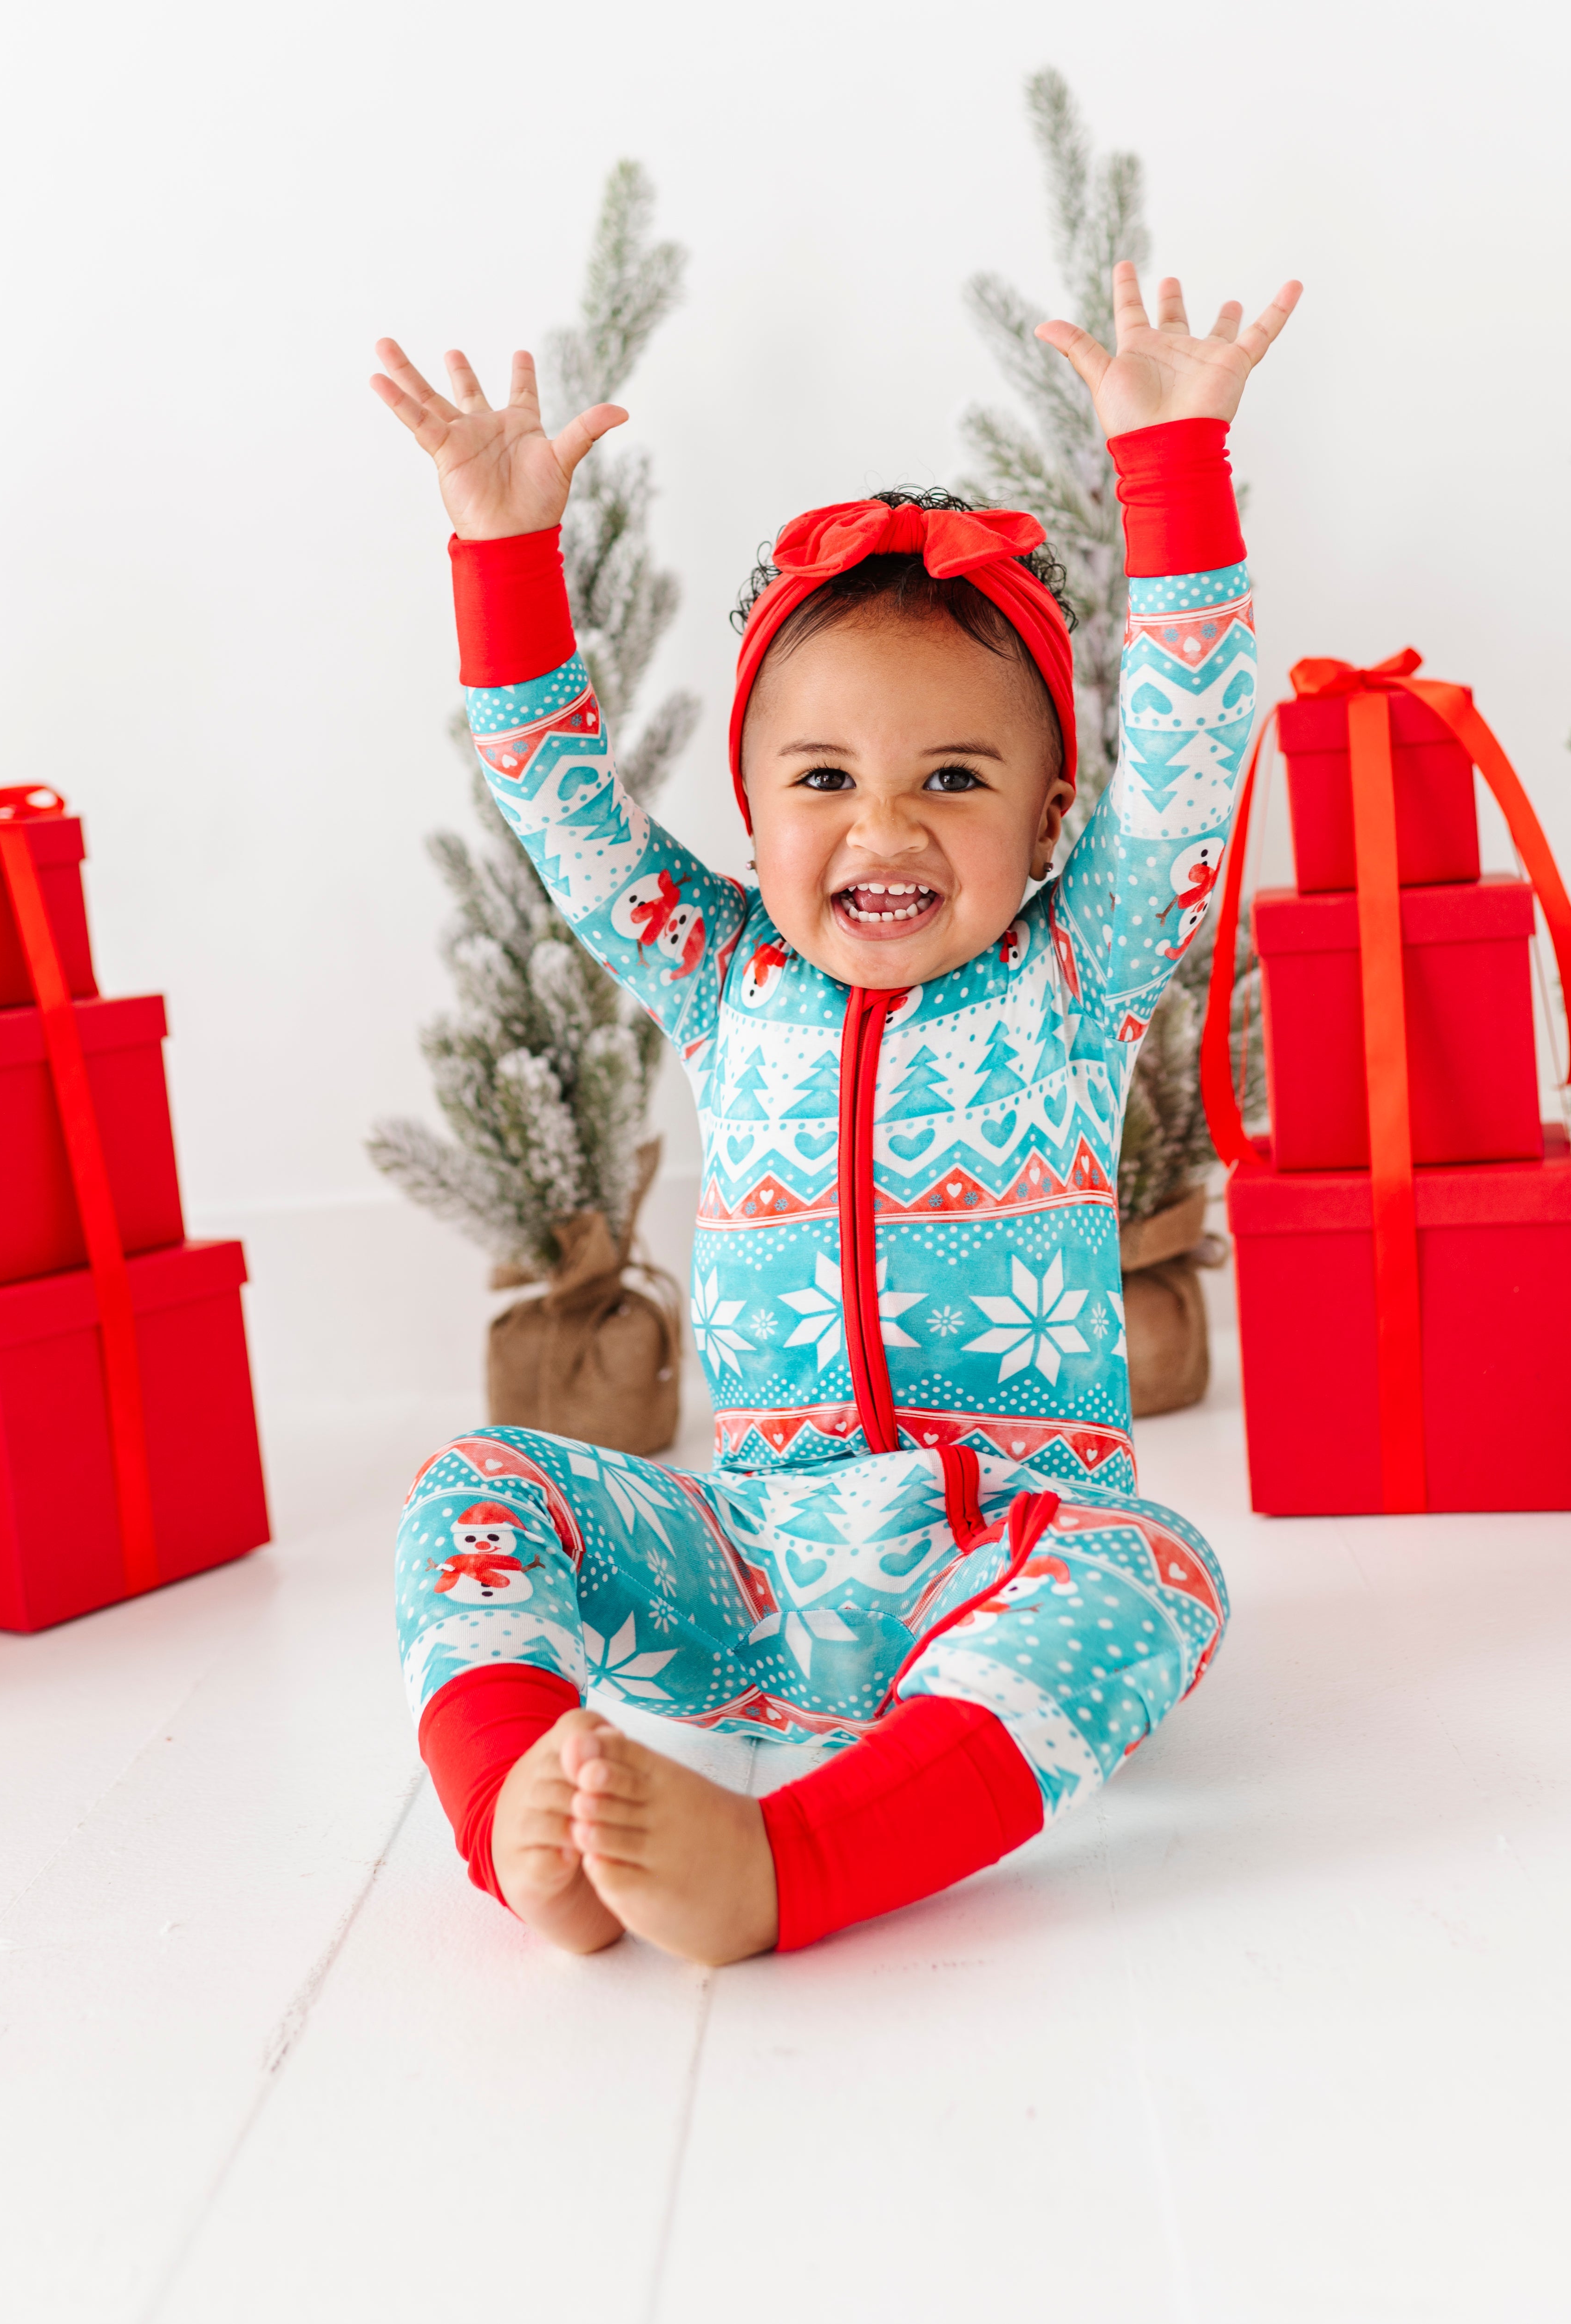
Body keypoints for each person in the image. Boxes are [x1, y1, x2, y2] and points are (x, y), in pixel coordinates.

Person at [372, 259, 1300, 1964]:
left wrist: (1171, 468)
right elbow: (564, 809)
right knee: (472, 1483)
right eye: (822, 782)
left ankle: (793, 1865)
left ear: (1047, 822)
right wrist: (502, 555)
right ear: (750, 809)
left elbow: (1189, 752)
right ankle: (521, 1813)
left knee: (1160, 1571)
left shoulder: (1075, 973)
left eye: (954, 778)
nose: (883, 827)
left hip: (997, 1552)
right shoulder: (720, 975)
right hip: (749, 1561)